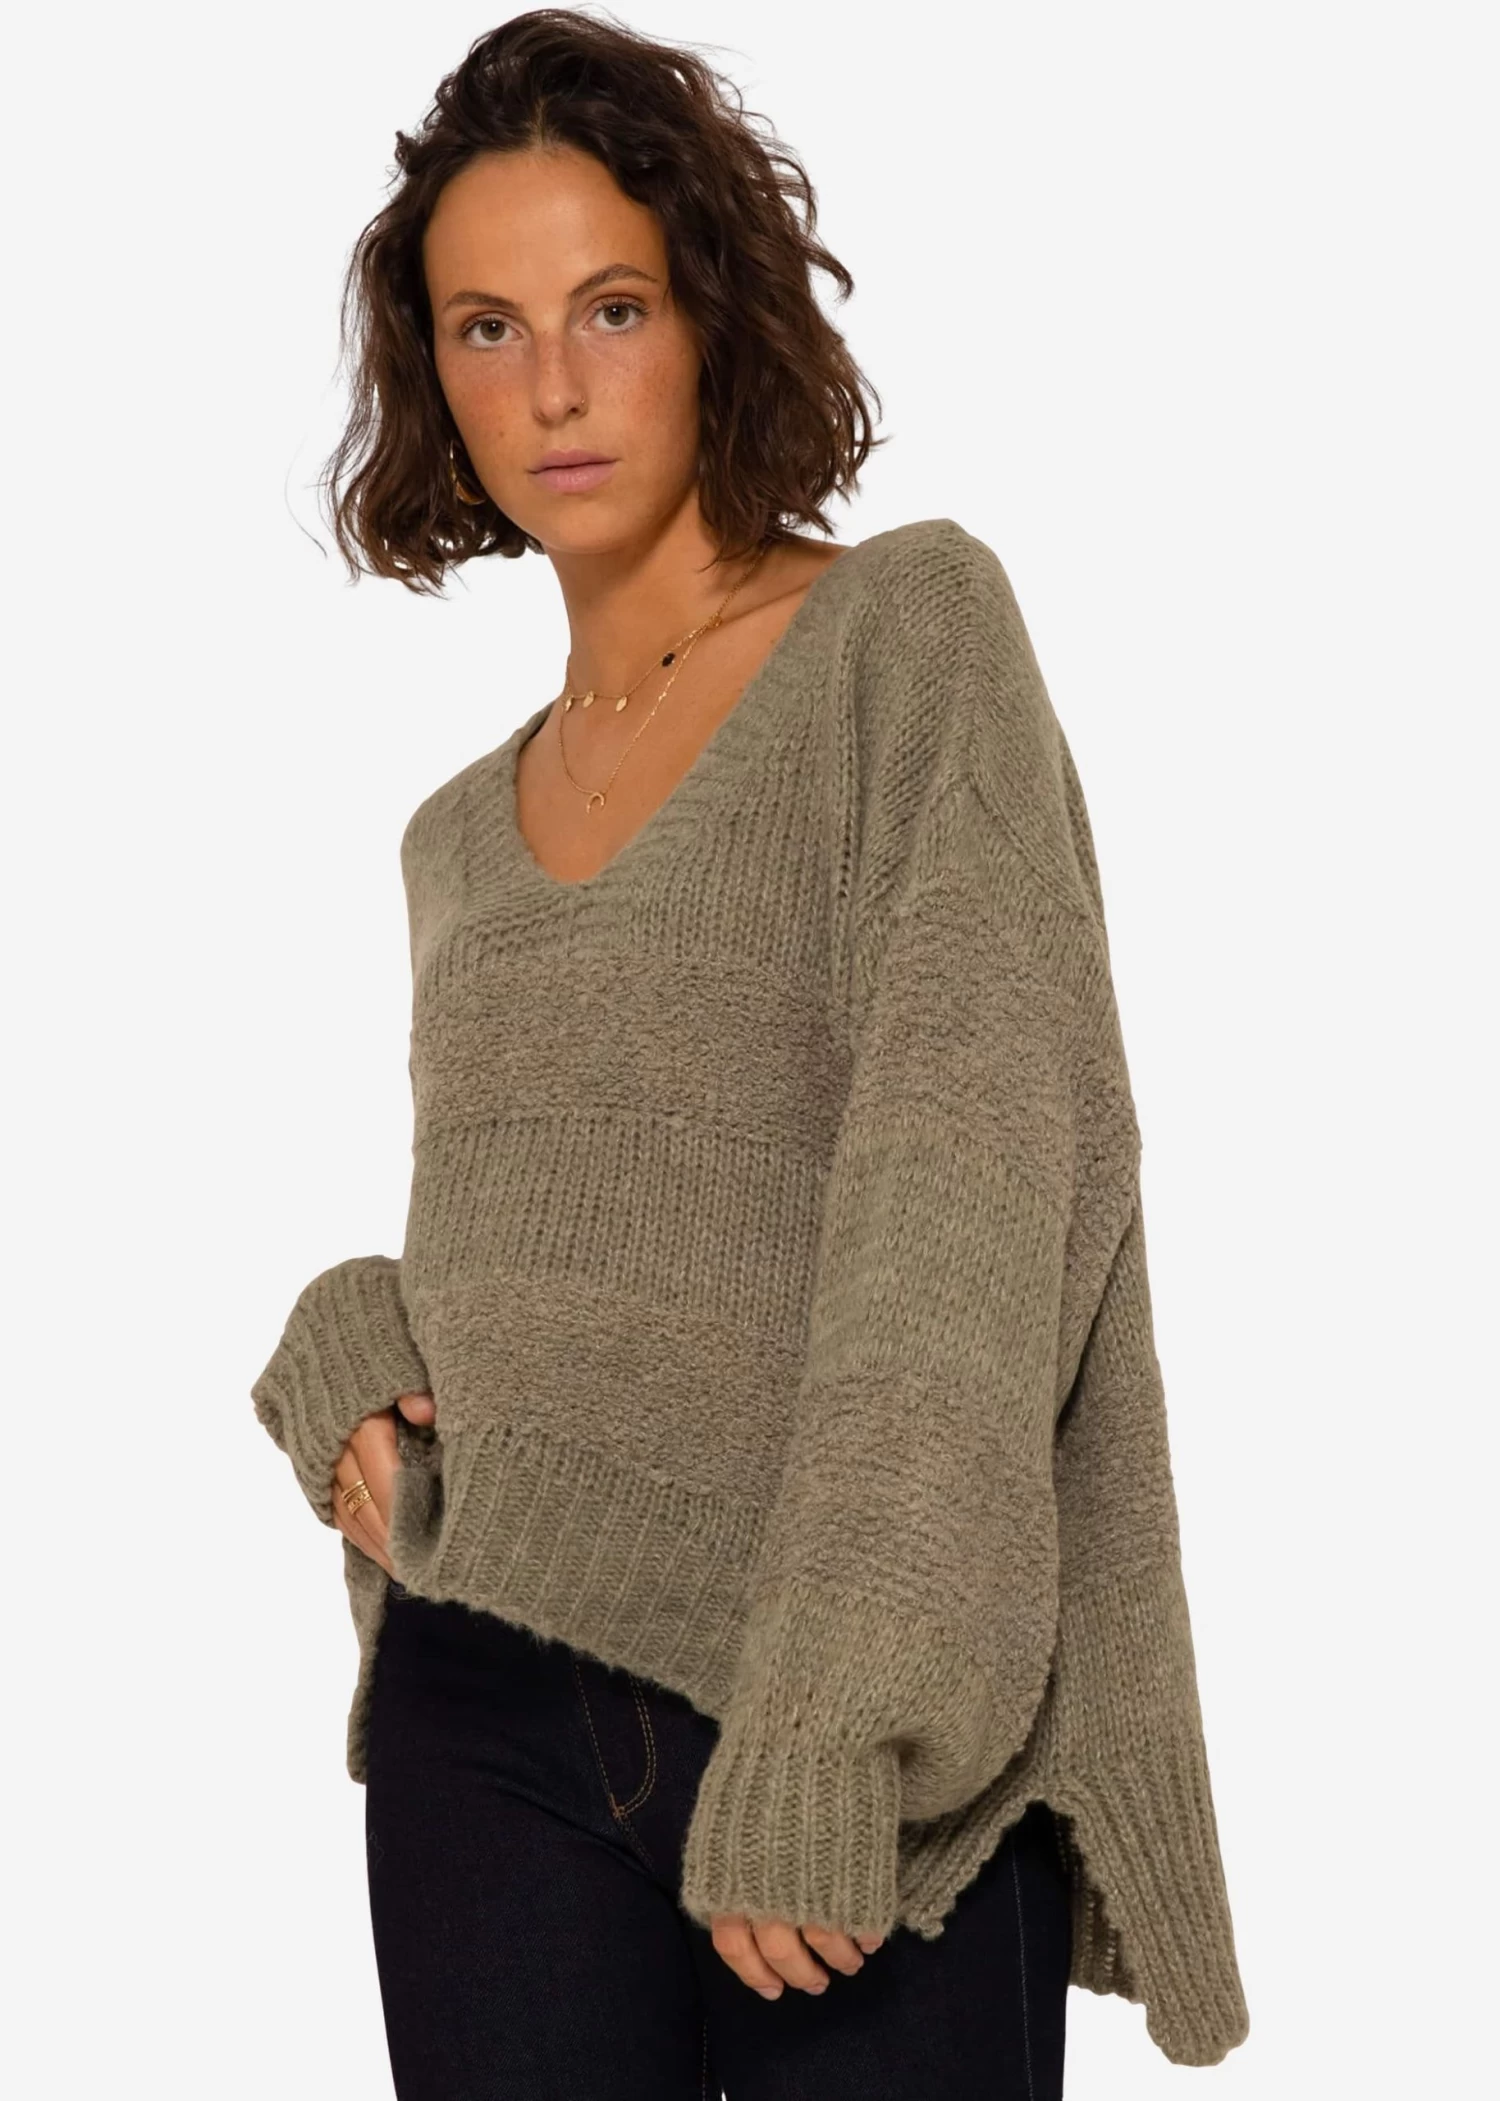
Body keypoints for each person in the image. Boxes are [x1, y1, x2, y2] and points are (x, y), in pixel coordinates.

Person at [249, 11, 1250, 2096]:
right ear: (433, 376)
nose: (554, 385)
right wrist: (363, 1334)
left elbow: (973, 1192)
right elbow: (590, 1228)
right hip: (481, 1713)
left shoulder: (907, 641)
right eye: (487, 328)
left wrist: (836, 1714)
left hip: (844, 1735)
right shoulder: (454, 834)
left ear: (712, 313)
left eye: (611, 307)